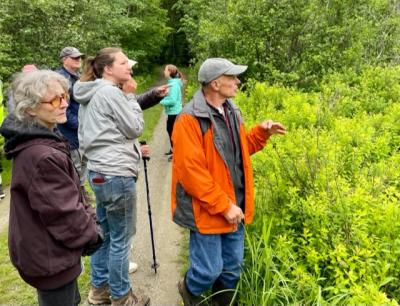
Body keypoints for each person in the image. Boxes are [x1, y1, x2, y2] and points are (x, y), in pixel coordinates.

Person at [171, 58, 286, 306]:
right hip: (208, 209)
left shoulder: (232, 110)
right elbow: (192, 174)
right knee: (208, 271)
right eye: (232, 77)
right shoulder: (189, 120)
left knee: (232, 269)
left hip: (236, 206)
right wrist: (224, 206)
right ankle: (189, 289)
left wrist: (261, 133)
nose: (237, 81)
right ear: (215, 83)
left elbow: (239, 151)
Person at [74, 47, 167, 306]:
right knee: (121, 239)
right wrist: (129, 97)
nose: (130, 67)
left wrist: (134, 148)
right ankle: (122, 297)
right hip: (116, 174)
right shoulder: (111, 93)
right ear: (108, 69)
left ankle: (99, 290)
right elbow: (135, 127)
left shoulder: (90, 92)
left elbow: (104, 132)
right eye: (124, 63)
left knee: (104, 233)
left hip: (99, 171)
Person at [0, 70, 102, 306]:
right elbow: (64, 212)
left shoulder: (43, 139)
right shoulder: (41, 155)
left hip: (49, 251)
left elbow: (71, 192)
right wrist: (92, 235)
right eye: (56, 99)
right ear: (31, 109)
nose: (65, 104)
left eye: (65, 96)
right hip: (49, 257)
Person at [56, 47, 92, 201]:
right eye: (74, 58)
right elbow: (64, 109)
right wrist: (80, 125)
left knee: (83, 162)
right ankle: (77, 197)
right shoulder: (61, 79)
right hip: (70, 133)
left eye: (79, 58)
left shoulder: (76, 76)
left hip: (79, 131)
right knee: (76, 166)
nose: (79, 60)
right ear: (64, 60)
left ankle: (81, 192)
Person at [160, 64, 184, 161]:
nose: (164, 72)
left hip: (174, 113)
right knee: (170, 131)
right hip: (173, 112)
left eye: (165, 70)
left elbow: (172, 100)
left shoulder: (173, 84)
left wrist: (160, 101)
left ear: (169, 72)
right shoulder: (173, 83)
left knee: (173, 134)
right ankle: (172, 149)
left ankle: (176, 154)